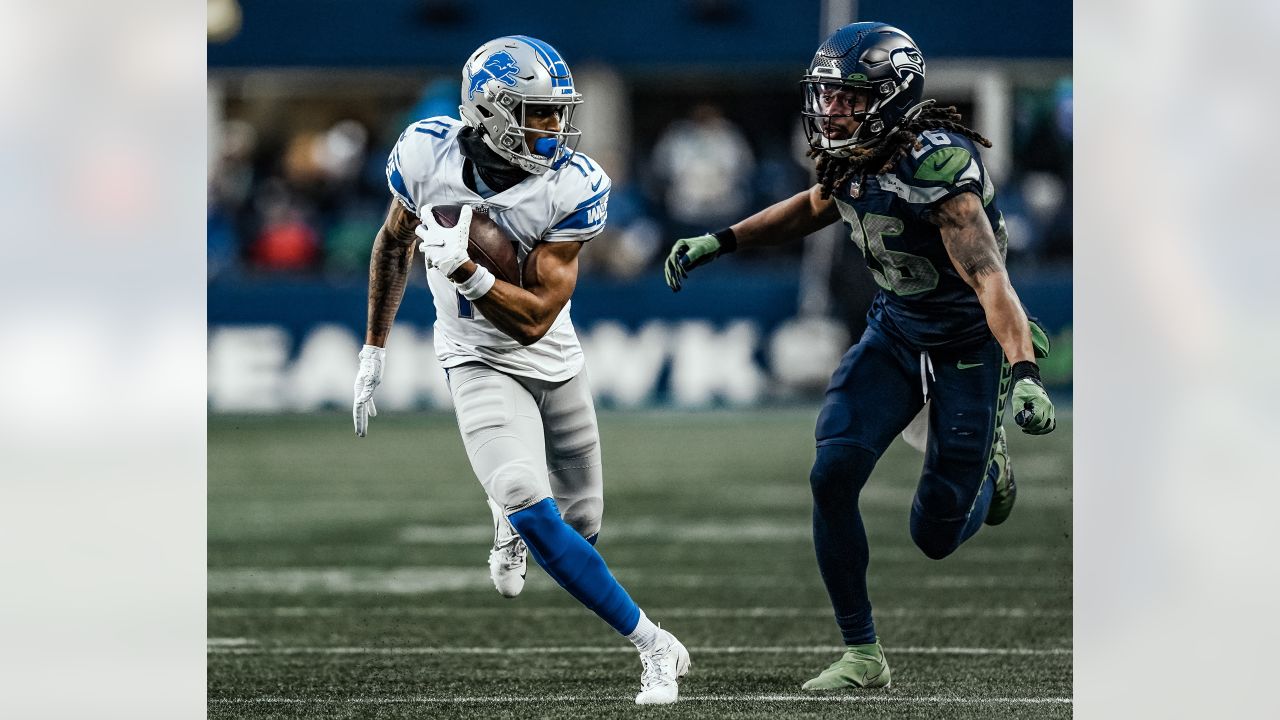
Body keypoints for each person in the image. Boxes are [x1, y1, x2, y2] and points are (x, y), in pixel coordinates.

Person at [662, 22, 1056, 691]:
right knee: (832, 471)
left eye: (848, 96)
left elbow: (992, 280)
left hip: (966, 345)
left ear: (892, 97)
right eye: (828, 95)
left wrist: (1024, 373)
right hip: (896, 331)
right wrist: (720, 240)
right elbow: (815, 206)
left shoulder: (938, 172)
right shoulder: (853, 154)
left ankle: (994, 469)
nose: (831, 110)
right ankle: (862, 654)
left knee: (934, 533)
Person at [351, 35, 689, 705]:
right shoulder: (426, 153)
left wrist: (467, 272)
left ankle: (514, 521)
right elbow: (393, 242)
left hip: (551, 358)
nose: (552, 128)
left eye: (556, 112)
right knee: (528, 501)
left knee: (580, 526)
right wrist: (375, 348)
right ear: (490, 111)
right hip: (474, 357)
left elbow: (535, 317)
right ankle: (656, 646)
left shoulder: (574, 183)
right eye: (536, 113)